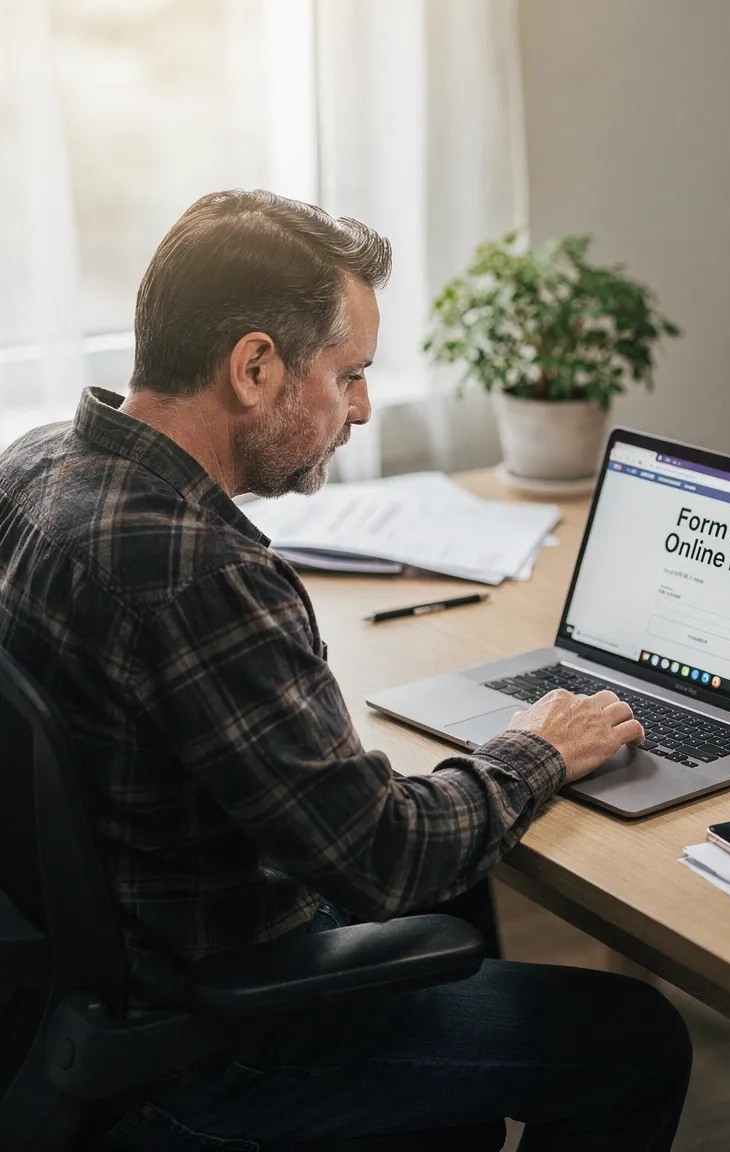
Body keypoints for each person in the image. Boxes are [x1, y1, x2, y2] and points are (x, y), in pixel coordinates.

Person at [0, 190, 690, 1150]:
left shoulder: (35, 469)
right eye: (349, 374)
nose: (360, 408)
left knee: (463, 882)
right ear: (253, 367)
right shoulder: (196, 571)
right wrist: (537, 747)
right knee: (637, 1039)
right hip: (213, 1047)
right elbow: (387, 858)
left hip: (102, 975)